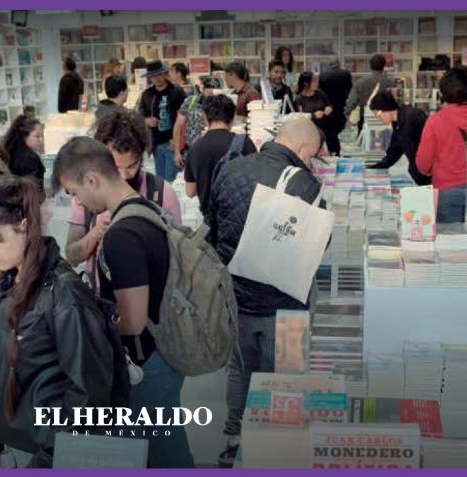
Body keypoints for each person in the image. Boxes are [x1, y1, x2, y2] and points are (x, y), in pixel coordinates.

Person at [53, 137, 195, 468]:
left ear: (92, 179)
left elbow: (131, 322)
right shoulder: (146, 209)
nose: (78, 201)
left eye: (74, 192)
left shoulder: (122, 234)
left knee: (160, 456)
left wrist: (89, 330)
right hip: (162, 353)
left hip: (144, 366)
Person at [0, 174, 115, 468]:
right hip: (16, 447)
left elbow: (89, 396)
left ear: (23, 225)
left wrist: (49, 459)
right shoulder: (10, 282)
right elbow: (5, 375)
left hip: (47, 453)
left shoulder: (65, 294)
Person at [210, 117, 325, 468]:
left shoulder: (230, 170)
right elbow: (318, 246)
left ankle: (233, 440)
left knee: (240, 369)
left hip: (236, 298)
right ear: (303, 149)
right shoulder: (306, 185)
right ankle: (277, 447)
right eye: (312, 155)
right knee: (286, 375)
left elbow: (214, 228)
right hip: (287, 304)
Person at [67, 109, 181, 289]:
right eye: (114, 167)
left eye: (132, 166)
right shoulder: (87, 195)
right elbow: (72, 256)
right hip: (102, 302)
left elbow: (178, 259)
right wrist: (96, 232)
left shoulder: (161, 193)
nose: (124, 176)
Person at [416, 68, 467, 223]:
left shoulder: (436, 120)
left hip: (447, 190)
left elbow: (423, 163)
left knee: (451, 243)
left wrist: (428, 170)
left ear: (443, 94)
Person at [184, 94, 256, 220]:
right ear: (233, 117)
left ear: (206, 118)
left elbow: (190, 192)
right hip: (239, 216)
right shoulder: (244, 142)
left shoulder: (195, 147)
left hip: (210, 218)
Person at [136, 60, 186, 183]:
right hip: (156, 143)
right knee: (160, 182)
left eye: (159, 75)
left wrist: (178, 141)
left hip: (172, 143)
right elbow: (138, 116)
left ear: (164, 74)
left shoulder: (177, 92)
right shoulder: (147, 94)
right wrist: (146, 121)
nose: (156, 78)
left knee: (172, 181)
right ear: (149, 78)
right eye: (153, 76)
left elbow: (186, 118)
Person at [367, 91, 430, 186]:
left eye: (378, 115)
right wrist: (369, 169)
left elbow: (430, 145)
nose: (378, 119)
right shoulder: (397, 124)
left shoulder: (413, 116)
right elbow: (393, 153)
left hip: (429, 175)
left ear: (386, 109)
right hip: (419, 176)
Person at [173, 76, 221, 168]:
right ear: (203, 88)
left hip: (211, 154)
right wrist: (177, 152)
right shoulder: (191, 101)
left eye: (214, 88)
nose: (210, 91)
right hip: (190, 152)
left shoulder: (220, 105)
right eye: (208, 87)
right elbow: (178, 126)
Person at [345, 54, 396, 133]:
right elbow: (396, 103)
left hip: (365, 122)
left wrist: (349, 117)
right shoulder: (390, 83)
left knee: (366, 143)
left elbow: (351, 103)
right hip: (386, 122)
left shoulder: (360, 83)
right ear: (384, 66)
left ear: (370, 66)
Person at [294, 72, 337, 154]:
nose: (316, 84)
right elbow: (300, 117)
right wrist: (313, 116)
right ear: (306, 83)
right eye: (314, 81)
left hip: (325, 129)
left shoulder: (320, 93)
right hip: (309, 132)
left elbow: (329, 105)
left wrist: (329, 108)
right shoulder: (299, 99)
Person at [3, 114, 46, 196]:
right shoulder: (30, 158)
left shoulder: (11, 153)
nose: (41, 140)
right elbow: (34, 189)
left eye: (42, 136)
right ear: (24, 136)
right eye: (37, 136)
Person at [318, 59, 353, 156]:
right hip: (341, 107)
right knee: (338, 131)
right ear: (339, 64)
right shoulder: (346, 74)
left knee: (329, 133)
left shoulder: (323, 75)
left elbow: (320, 93)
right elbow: (350, 91)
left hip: (328, 109)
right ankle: (337, 152)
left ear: (330, 65)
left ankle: (331, 151)